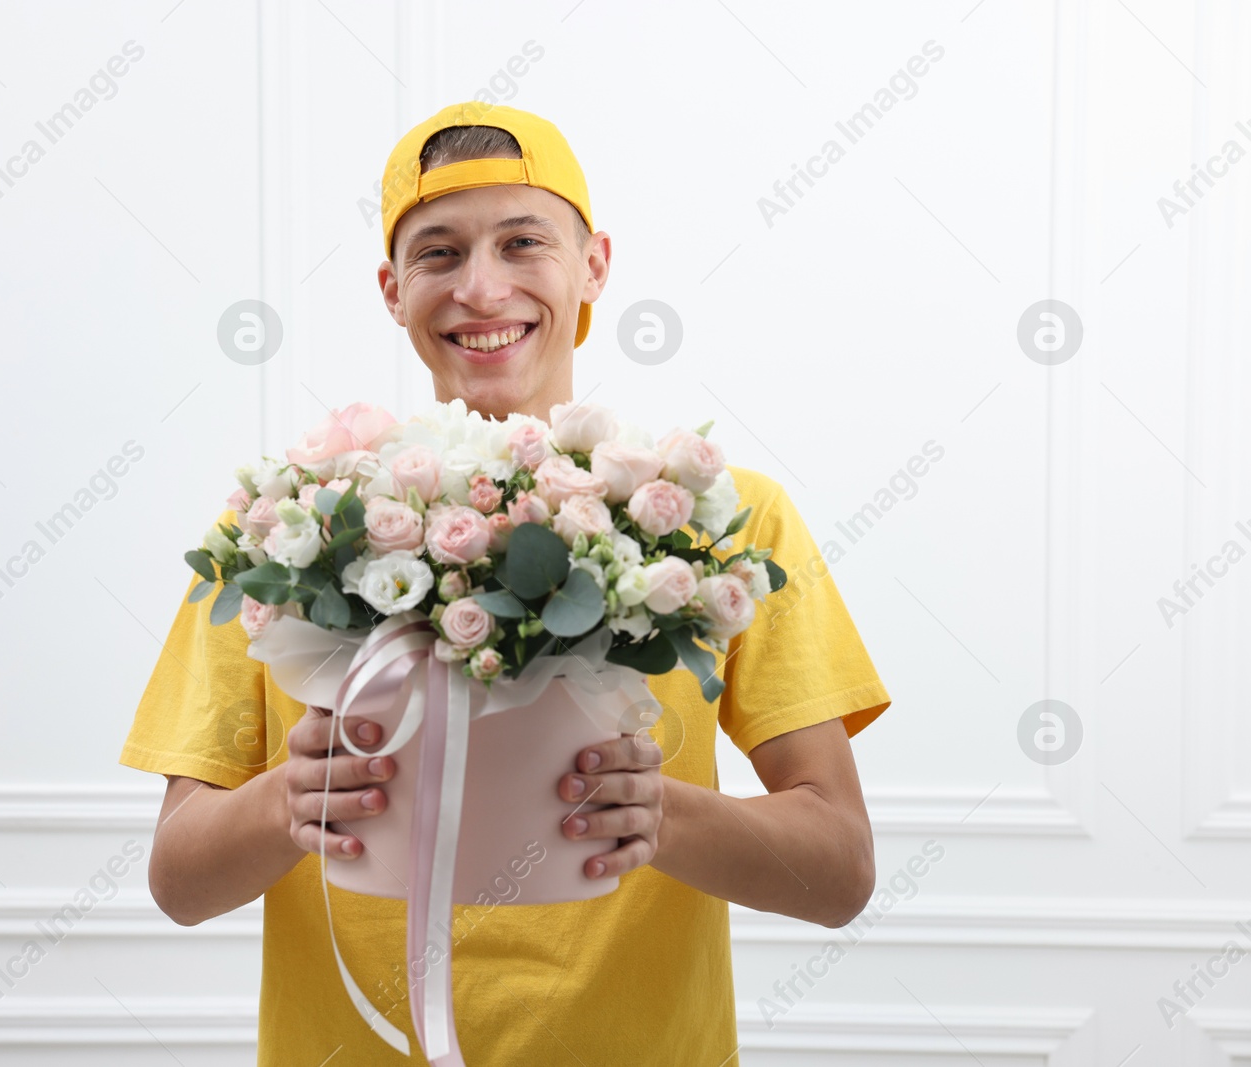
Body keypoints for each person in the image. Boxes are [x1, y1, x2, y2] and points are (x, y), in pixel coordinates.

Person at [119, 102, 891, 1065]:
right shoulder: (285, 528)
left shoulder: (724, 516)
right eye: (438, 253)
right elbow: (179, 882)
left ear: (595, 264)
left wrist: (662, 812)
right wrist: (290, 797)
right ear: (392, 289)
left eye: (523, 242)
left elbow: (842, 872)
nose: (481, 290)